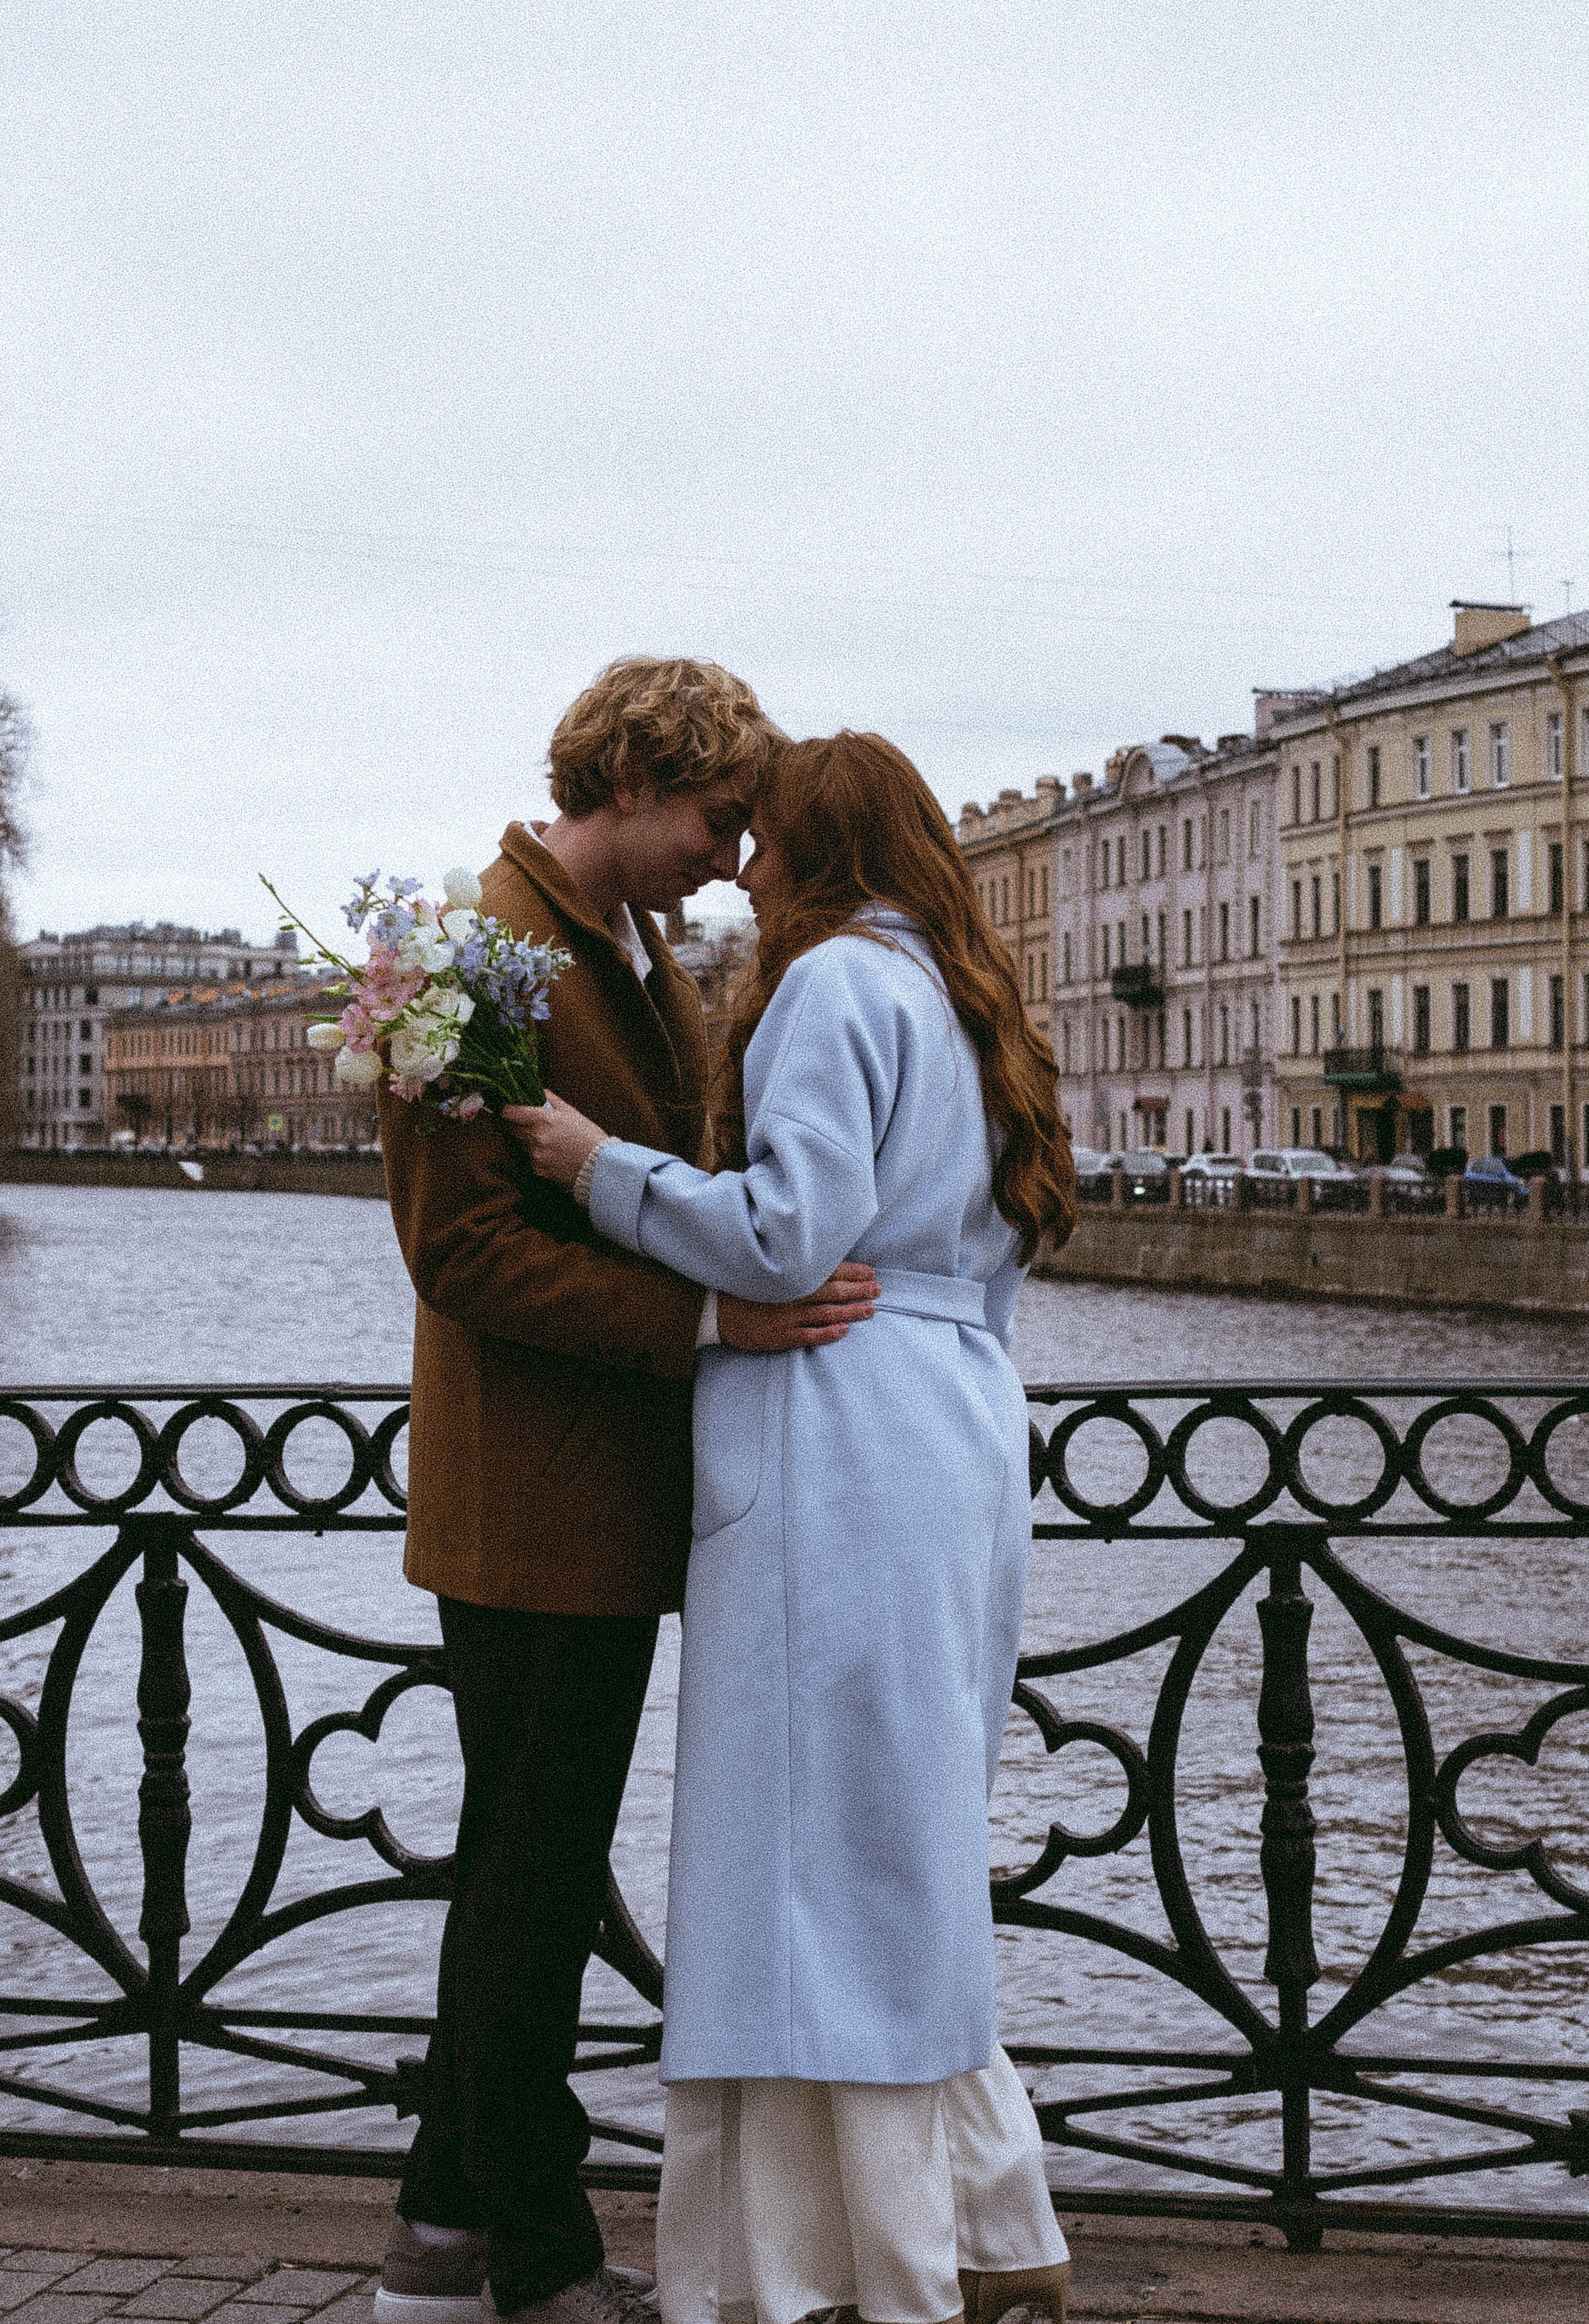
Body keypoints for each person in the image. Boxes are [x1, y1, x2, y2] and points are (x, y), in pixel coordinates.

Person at [503, 730, 1078, 2324]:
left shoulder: (832, 985)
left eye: (765, 843)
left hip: (835, 1425)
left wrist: (592, 1162)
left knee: (803, 1854)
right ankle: (973, 2219)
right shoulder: (964, 997)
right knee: (903, 1839)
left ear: (818, 852)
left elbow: (785, 1236)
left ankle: (838, 2270)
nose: (741, 871)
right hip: (954, 1420)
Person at [375, 660, 880, 2324]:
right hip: (527, 1501)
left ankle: (440, 2237)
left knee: (531, 1867)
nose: (733, 858)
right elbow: (461, 1254)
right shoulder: (475, 952)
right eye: (721, 820)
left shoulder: (634, 955)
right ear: (640, 783)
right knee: (529, 1877)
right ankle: (536, 2256)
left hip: (601, 1499)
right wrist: (709, 1315)